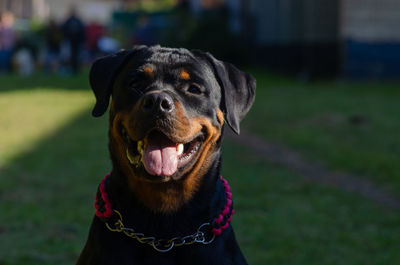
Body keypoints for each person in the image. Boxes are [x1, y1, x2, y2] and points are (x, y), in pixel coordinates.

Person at [62, 7, 85, 74]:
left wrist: (81, 39)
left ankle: (77, 69)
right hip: (70, 41)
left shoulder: (78, 20)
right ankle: (72, 69)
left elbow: (82, 31)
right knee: (71, 56)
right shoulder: (68, 21)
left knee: (78, 56)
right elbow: (64, 30)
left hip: (77, 41)